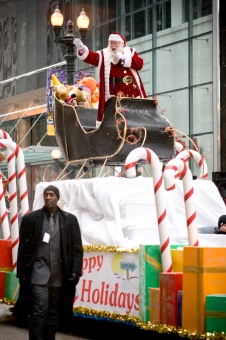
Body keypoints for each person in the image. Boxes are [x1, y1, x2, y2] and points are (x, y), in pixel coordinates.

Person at [15, 185, 83, 339]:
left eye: (52, 195)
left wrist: (75, 272)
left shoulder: (69, 220)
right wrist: (22, 274)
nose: (48, 197)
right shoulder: (31, 219)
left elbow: (77, 249)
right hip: (38, 274)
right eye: (46, 194)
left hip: (60, 276)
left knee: (53, 312)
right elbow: (23, 249)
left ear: (58, 198)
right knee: (39, 310)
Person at [73, 32, 146, 126]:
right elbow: (91, 57)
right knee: (114, 116)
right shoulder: (104, 55)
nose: (113, 46)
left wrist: (124, 59)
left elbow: (139, 64)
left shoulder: (130, 52)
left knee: (134, 115)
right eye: (111, 43)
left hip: (131, 90)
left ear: (121, 44)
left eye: (115, 43)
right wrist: (82, 48)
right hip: (113, 92)